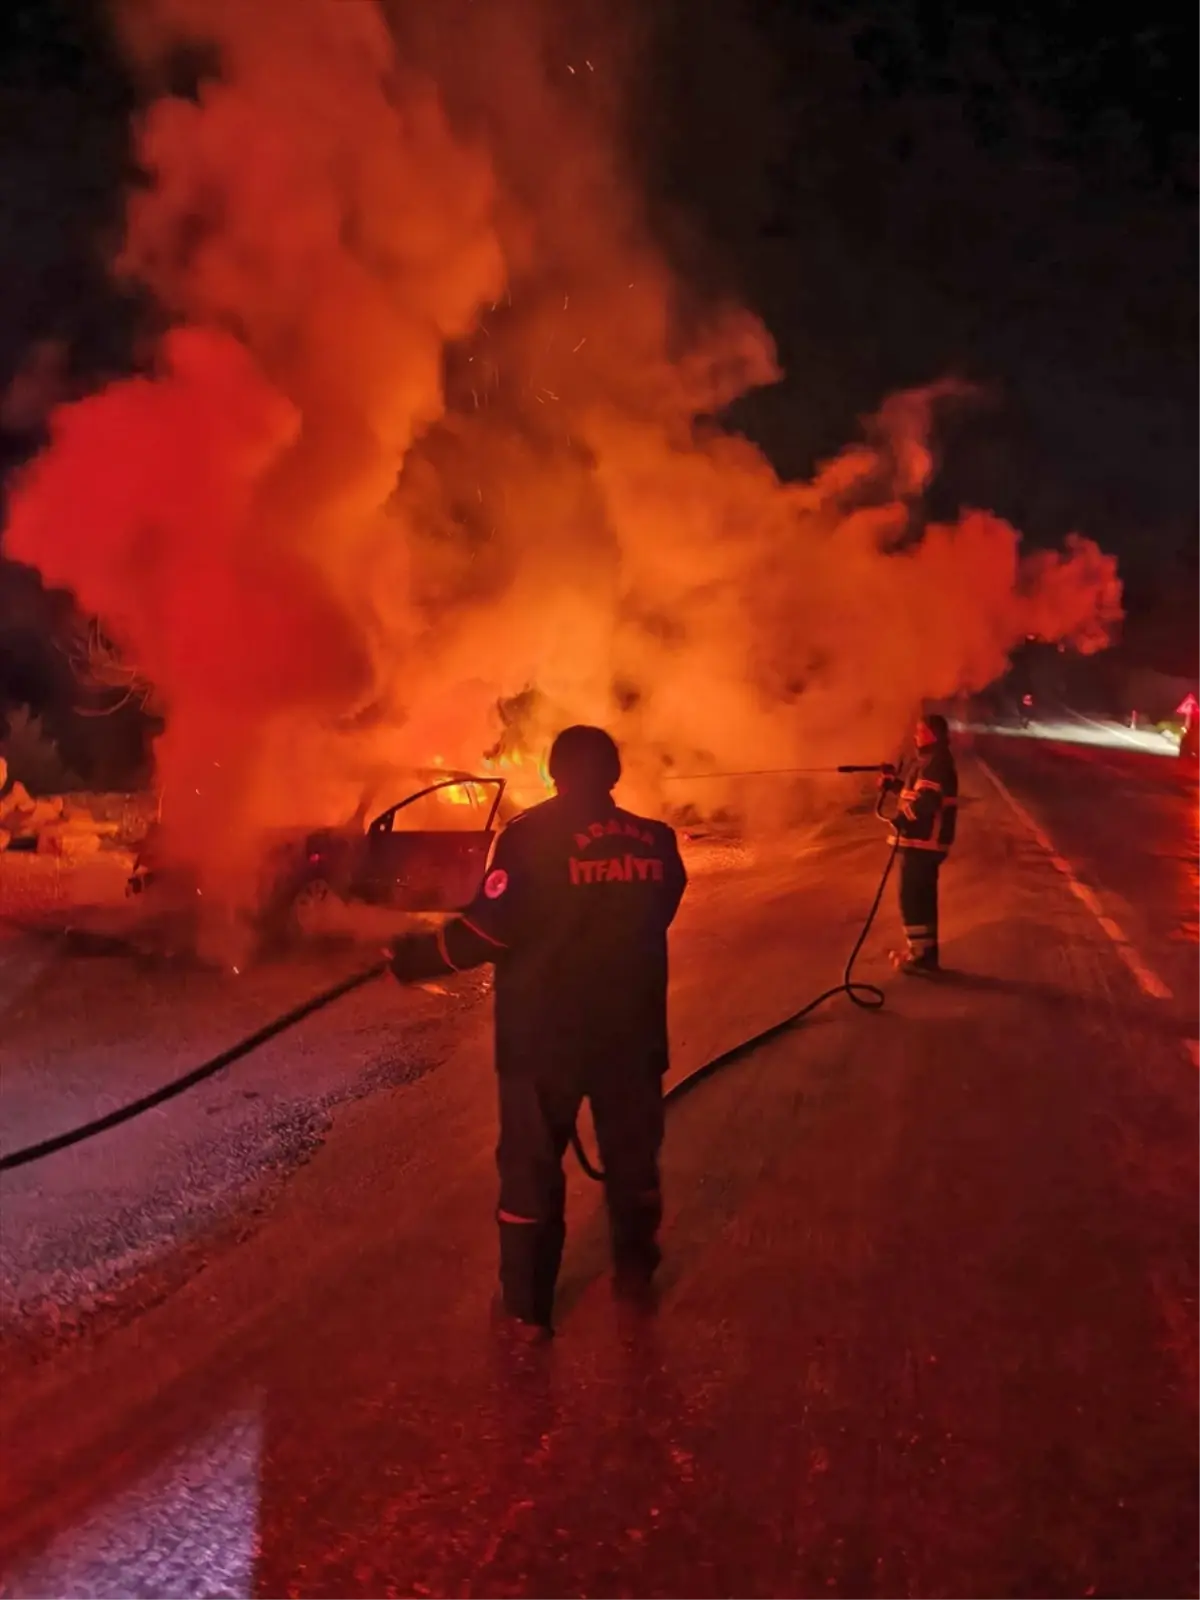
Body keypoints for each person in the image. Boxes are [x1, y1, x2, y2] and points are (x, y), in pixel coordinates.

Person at [386, 725, 688, 1343]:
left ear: (554, 772)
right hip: (630, 1035)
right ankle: (635, 1276)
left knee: (531, 1169)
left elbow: (489, 933)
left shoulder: (530, 837)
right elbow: (660, 910)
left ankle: (526, 1307)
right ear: (614, 774)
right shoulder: (656, 842)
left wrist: (415, 957)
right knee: (633, 1160)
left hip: (544, 1040)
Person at [880, 712, 958, 973]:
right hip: (923, 845)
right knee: (922, 900)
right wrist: (893, 786)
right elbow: (917, 794)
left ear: (932, 734)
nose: (915, 734)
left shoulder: (935, 763)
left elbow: (927, 801)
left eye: (920, 730)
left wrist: (902, 819)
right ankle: (925, 954)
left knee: (912, 899)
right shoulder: (930, 761)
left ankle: (919, 957)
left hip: (923, 844)